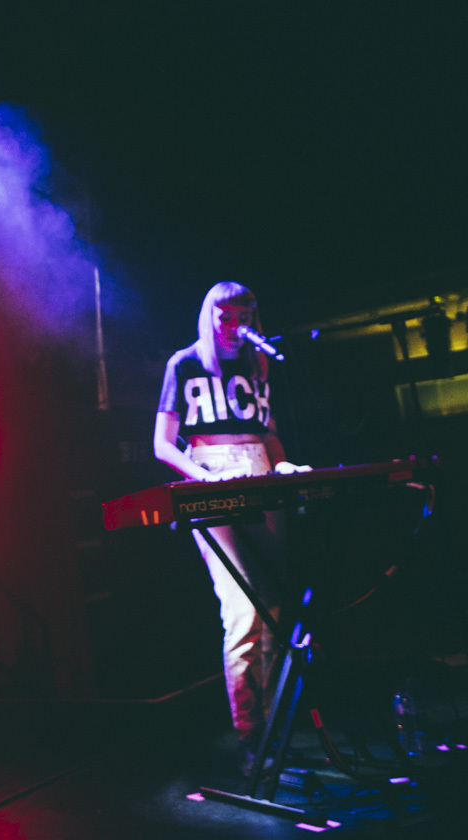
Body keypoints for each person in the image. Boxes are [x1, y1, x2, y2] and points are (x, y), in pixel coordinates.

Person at [152, 281, 307, 770]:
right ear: (209, 316)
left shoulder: (258, 364)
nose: (234, 324)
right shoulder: (185, 364)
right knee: (243, 606)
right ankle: (250, 733)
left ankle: (277, 725)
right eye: (225, 315)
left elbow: (270, 432)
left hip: (261, 472)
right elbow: (163, 443)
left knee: (274, 605)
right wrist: (204, 476)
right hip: (214, 475)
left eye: (243, 314)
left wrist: (280, 465)